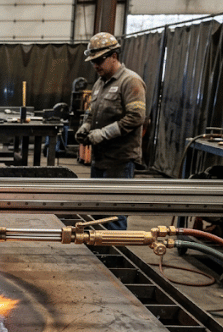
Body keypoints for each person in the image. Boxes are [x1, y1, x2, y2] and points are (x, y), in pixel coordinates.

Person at [75, 32, 146, 230]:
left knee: (114, 213)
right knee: (97, 211)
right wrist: (86, 126)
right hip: (100, 158)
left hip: (119, 160)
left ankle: (114, 250)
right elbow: (92, 112)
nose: (95, 65)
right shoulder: (100, 83)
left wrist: (104, 133)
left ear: (114, 56)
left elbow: (136, 117)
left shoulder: (130, 81)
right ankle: (100, 249)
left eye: (99, 60)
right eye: (93, 61)